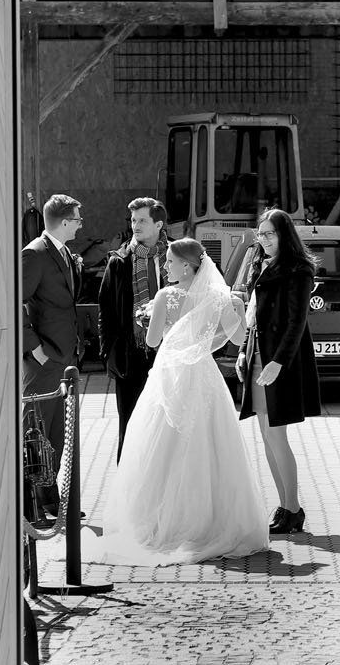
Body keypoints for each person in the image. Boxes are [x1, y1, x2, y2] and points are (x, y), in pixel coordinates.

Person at [89, 238, 267, 565]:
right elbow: (238, 337)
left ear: (186, 266)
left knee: (161, 441)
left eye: (170, 262)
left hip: (170, 373)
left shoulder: (165, 297)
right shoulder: (219, 297)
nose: (166, 267)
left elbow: (153, 340)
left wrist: (152, 321)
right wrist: (239, 311)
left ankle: (163, 520)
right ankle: (211, 521)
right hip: (202, 374)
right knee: (209, 442)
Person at [237, 207, 321, 535]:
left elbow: (297, 322)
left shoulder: (299, 269)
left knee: (277, 436)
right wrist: (243, 352)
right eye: (260, 234)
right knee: (267, 437)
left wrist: (277, 362)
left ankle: (293, 509)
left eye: (269, 234)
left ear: (284, 234)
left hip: (280, 361)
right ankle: (285, 506)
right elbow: (253, 317)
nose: (263, 239)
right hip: (259, 356)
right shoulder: (260, 264)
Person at [20, 193, 85, 519]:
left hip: (64, 359)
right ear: (63, 222)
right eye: (77, 219)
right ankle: (28, 505)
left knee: (57, 434)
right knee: (35, 432)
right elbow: (14, 301)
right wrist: (35, 348)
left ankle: (49, 499)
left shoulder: (64, 253)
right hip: (43, 361)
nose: (81, 225)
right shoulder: (35, 254)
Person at [97, 197, 169, 461]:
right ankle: (127, 482)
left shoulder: (177, 256)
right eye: (133, 220)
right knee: (130, 425)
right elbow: (105, 312)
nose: (135, 226)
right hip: (132, 356)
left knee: (166, 426)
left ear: (158, 224)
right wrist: (109, 355)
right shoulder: (119, 262)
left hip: (169, 354)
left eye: (142, 220)